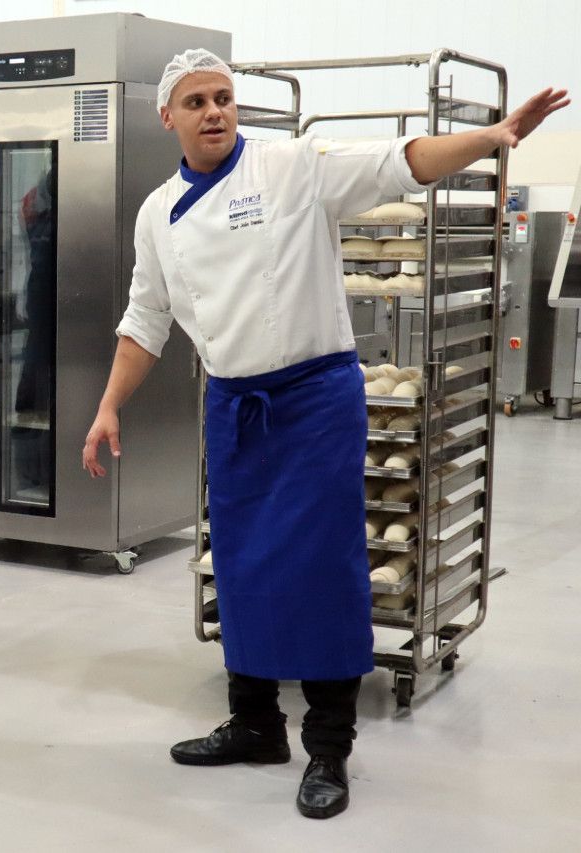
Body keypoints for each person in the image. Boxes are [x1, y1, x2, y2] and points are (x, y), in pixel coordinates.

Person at [82, 49, 568, 820]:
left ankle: (329, 746)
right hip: (235, 406)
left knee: (323, 568)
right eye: (197, 101)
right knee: (239, 566)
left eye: (224, 98)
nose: (215, 112)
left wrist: (489, 137)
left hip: (312, 400)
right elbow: (147, 319)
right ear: (167, 116)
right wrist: (109, 404)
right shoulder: (157, 213)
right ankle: (255, 723)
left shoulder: (291, 167)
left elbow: (399, 162)